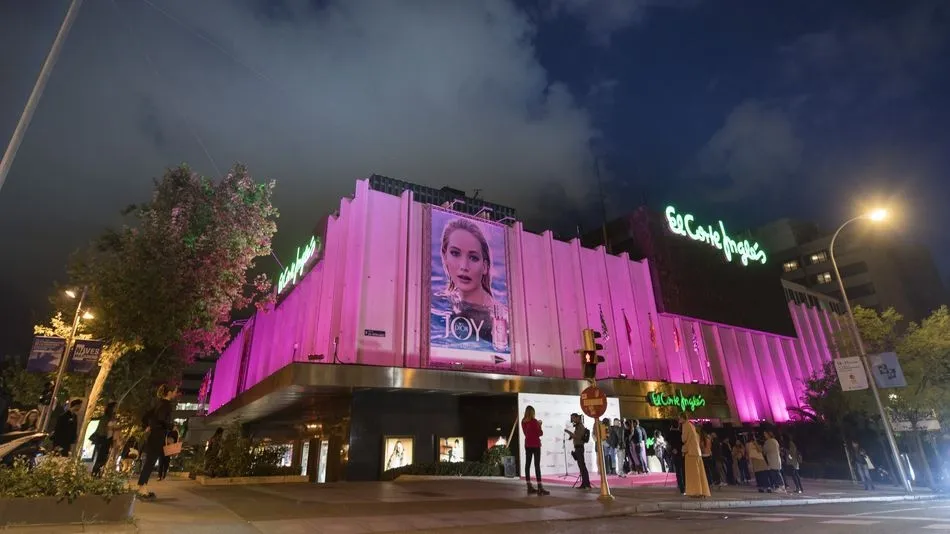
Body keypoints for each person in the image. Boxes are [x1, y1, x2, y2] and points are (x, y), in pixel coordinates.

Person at [437, 218, 508, 349]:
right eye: (455, 253)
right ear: (444, 256)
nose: (464, 266)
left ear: (485, 267)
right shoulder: (440, 301)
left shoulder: (501, 317)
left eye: (473, 257)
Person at [136, 384, 177, 500]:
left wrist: (147, 426)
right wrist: (171, 426)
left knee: (150, 461)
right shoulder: (166, 405)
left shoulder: (158, 403)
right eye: (174, 391)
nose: (175, 393)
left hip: (154, 434)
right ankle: (142, 487)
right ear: (169, 393)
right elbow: (161, 419)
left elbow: (145, 416)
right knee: (150, 461)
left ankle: (142, 486)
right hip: (158, 435)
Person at [680, 412, 710, 498]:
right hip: (697, 452)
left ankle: (695, 491)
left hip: (690, 452)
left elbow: (684, 439)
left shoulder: (685, 425)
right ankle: (702, 490)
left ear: (682, 418)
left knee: (693, 473)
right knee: (699, 472)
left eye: (680, 418)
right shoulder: (691, 425)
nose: (679, 420)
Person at [521, 405, 549, 495]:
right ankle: (540, 487)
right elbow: (540, 433)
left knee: (527, 465)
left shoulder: (523, 421)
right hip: (536, 445)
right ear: (533, 412)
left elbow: (526, 433)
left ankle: (529, 486)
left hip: (528, 444)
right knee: (537, 465)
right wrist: (540, 425)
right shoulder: (534, 421)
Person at [565, 413, 591, 489]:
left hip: (579, 448)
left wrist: (568, 432)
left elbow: (577, 437)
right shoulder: (578, 426)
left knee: (582, 466)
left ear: (577, 418)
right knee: (581, 466)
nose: (572, 420)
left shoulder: (580, 426)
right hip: (578, 448)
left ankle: (586, 483)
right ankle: (584, 483)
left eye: (573, 418)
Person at [91, 401, 118, 477]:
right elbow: (102, 429)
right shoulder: (105, 418)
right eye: (115, 407)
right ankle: (95, 472)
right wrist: (111, 428)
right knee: (100, 456)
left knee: (104, 457)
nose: (116, 409)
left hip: (108, 439)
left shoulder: (112, 417)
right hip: (103, 439)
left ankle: (99, 472)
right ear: (111, 408)